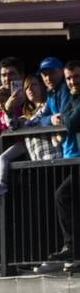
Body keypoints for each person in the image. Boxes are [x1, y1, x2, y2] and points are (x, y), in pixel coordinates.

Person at [49, 61, 80, 261]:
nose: (72, 82)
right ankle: (72, 247)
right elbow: (54, 117)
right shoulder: (72, 98)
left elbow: (71, 121)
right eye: (68, 78)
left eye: (76, 77)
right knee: (65, 196)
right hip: (75, 159)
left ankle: (72, 247)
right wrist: (53, 119)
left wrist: (60, 119)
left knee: (63, 195)